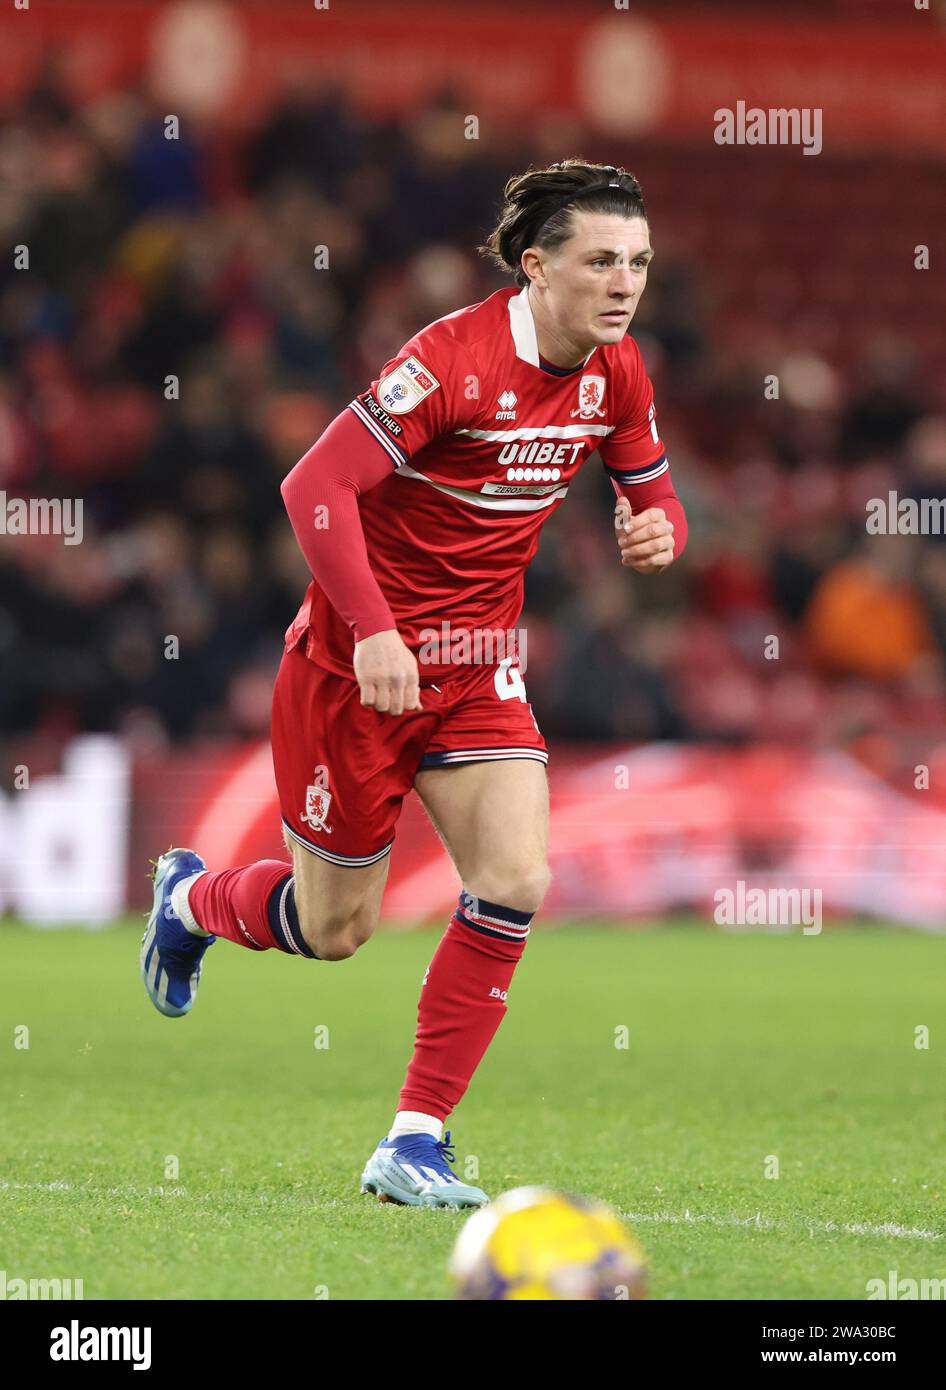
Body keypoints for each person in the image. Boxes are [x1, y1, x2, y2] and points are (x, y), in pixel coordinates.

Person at [140, 159, 688, 1208]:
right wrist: (376, 631)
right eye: (600, 261)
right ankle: (193, 898)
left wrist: (654, 523)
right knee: (336, 927)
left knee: (517, 877)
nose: (623, 283)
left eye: (639, 263)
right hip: (355, 673)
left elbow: (645, 478)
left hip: (479, 669)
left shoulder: (619, 370)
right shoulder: (450, 362)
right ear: (536, 266)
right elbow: (314, 485)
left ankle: (414, 1138)